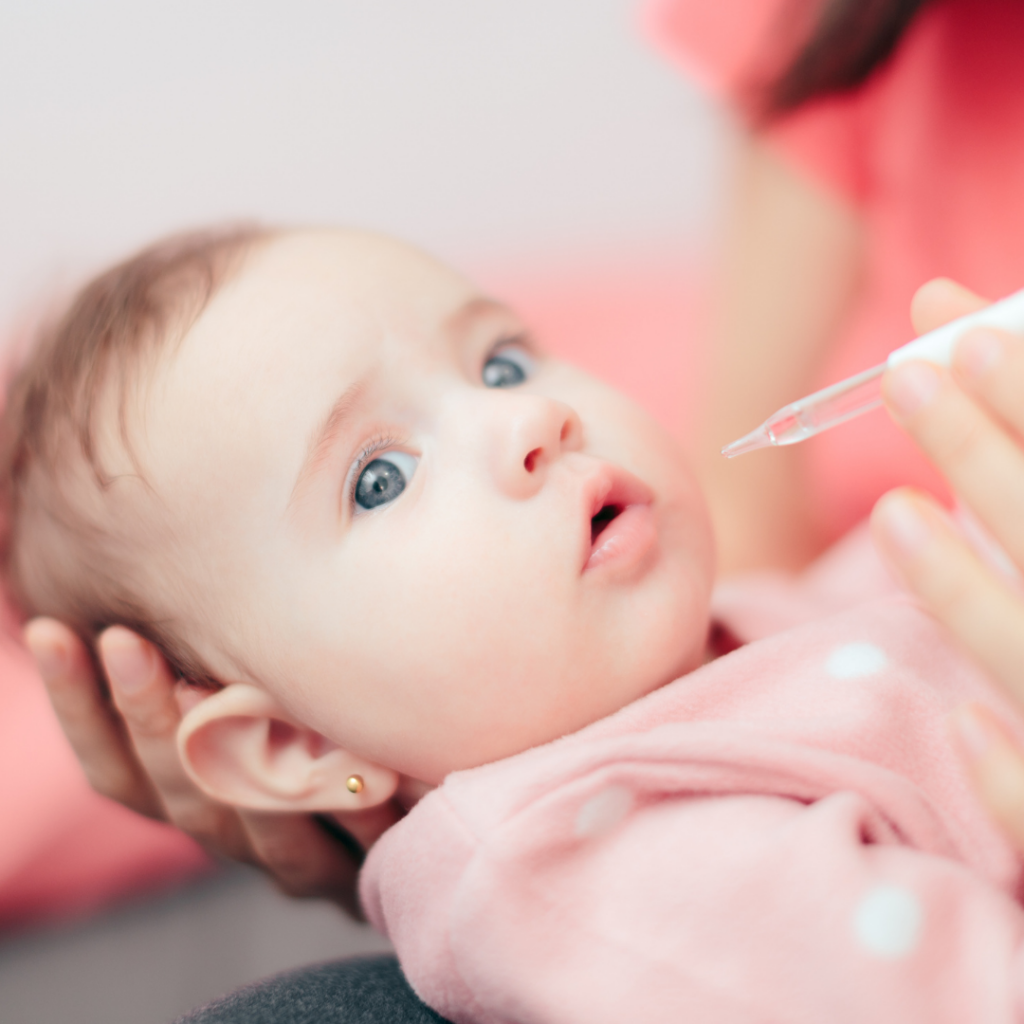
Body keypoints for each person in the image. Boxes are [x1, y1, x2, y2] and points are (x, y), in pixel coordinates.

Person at [7, 225, 1024, 1021]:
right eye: (379, 477)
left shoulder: (717, 640)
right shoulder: (593, 863)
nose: (531, 419)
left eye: (499, 363)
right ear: (289, 739)